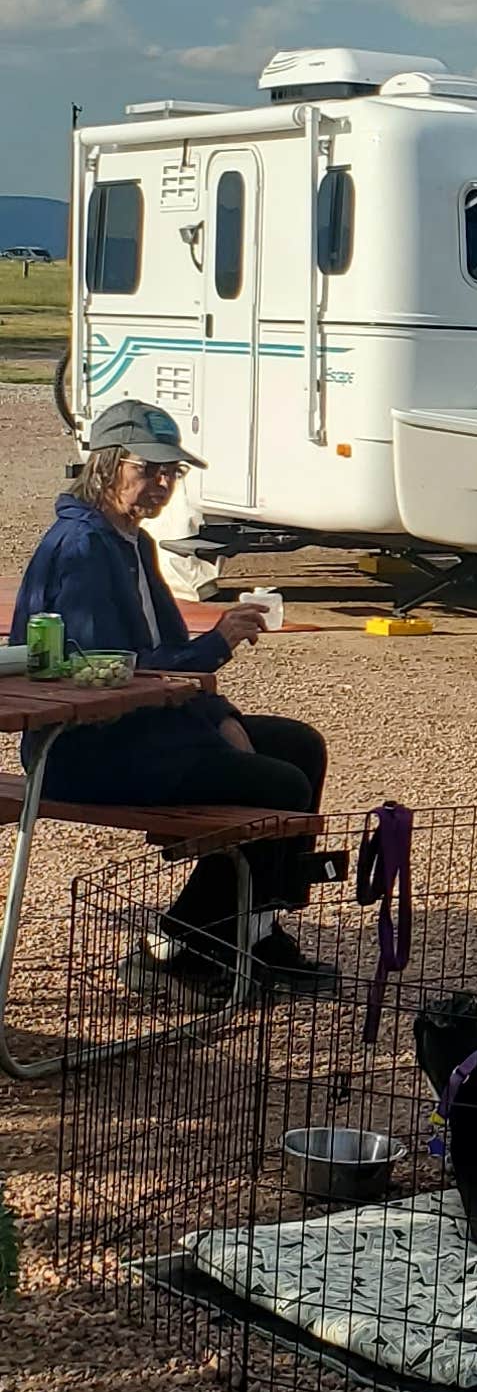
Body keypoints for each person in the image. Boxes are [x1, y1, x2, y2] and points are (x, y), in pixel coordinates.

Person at [10, 399, 334, 996]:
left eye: (172, 472)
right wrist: (215, 649)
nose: (162, 484)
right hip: (87, 746)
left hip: (137, 729)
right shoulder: (82, 547)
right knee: (277, 787)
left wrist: (219, 712)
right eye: (150, 469)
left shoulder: (131, 541)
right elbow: (111, 673)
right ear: (106, 464)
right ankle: (182, 943)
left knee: (297, 746)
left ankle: (253, 930)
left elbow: (164, 659)